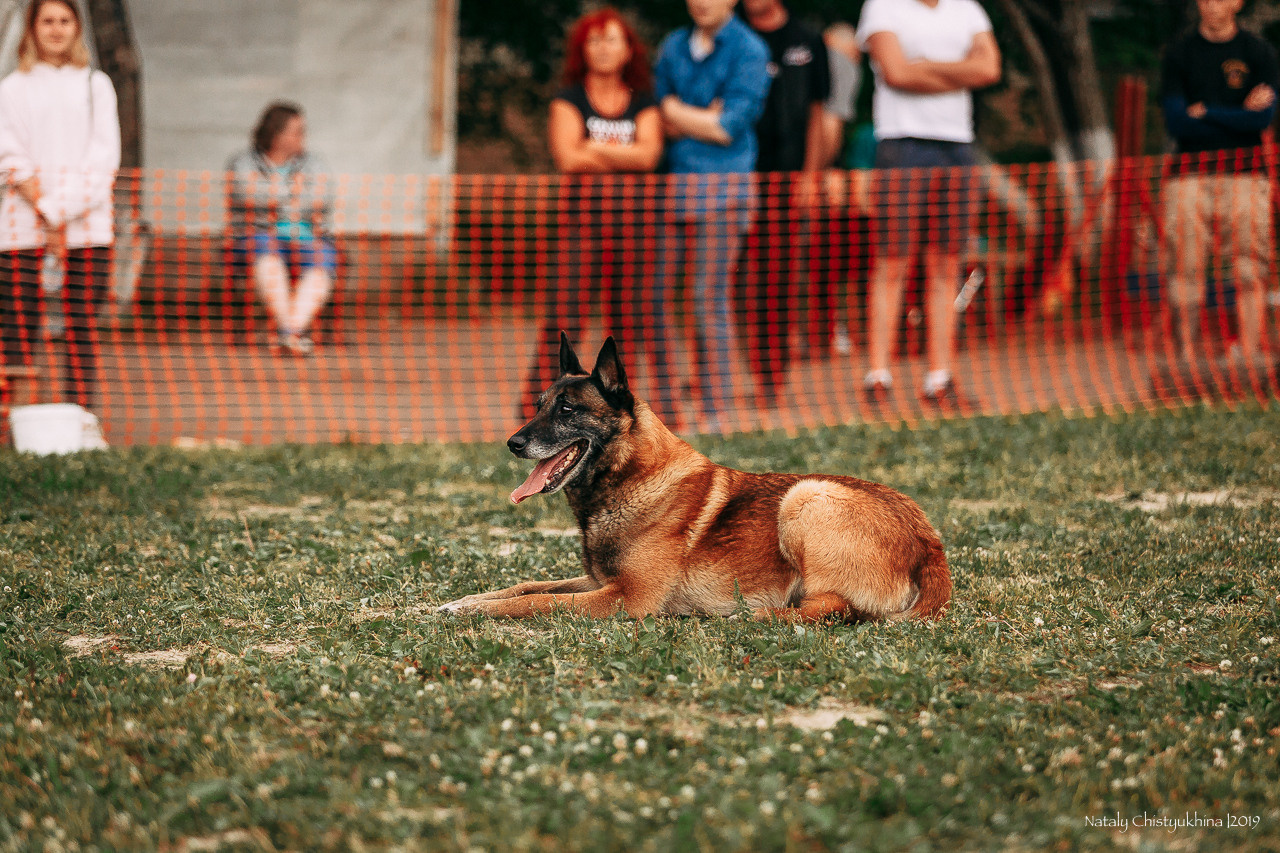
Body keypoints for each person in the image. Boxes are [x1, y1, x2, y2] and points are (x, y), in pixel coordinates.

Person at [855, 0, 1000, 407]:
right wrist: (959, 71)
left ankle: (939, 378)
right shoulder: (882, 6)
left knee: (946, 265)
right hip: (902, 144)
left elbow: (989, 68)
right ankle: (877, 376)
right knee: (892, 262)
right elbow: (896, 73)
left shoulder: (967, 7)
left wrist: (924, 68)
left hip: (957, 146)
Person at [522, 7, 662, 418]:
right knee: (564, 315)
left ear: (628, 49)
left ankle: (627, 406)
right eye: (594, 40)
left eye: (612, 39)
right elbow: (567, 157)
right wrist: (624, 155)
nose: (603, 48)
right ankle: (538, 402)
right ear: (582, 49)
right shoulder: (568, 98)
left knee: (629, 321)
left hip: (634, 228)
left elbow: (650, 155)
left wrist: (594, 147)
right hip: (580, 225)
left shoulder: (644, 100)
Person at [651, 0, 770, 429]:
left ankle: (715, 412)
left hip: (727, 192)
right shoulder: (673, 45)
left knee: (707, 298)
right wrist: (697, 116)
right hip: (674, 190)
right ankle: (664, 411)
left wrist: (677, 111)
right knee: (656, 299)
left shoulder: (749, 49)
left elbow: (728, 127)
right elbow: (655, 115)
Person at [0, 0, 120, 412]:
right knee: (18, 325)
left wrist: (57, 213)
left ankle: (80, 414)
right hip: (19, 229)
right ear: (32, 28)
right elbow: (8, 155)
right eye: (47, 21)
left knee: (82, 325)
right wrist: (42, 208)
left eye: (65, 21)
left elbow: (103, 160)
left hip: (88, 229)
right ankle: (16, 416)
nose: (56, 29)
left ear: (77, 28)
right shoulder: (11, 88)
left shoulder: (96, 85)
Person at [1160, 0, 1278, 366]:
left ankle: (1250, 353)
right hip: (1189, 175)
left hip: (1245, 173)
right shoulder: (1178, 53)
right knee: (1186, 265)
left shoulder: (1258, 52)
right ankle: (1187, 356)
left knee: (1249, 265)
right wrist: (1240, 112)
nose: (1212, 4)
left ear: (1238, 2)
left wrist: (1208, 111)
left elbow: (1261, 121)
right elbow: (1177, 122)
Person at [737, 0, 830, 405]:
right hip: (737, 179)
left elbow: (817, 112)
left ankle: (770, 376)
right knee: (726, 278)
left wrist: (811, 175)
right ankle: (714, 371)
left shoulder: (808, 39)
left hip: (788, 183)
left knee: (777, 280)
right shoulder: (732, 36)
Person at [227, 101, 336, 356]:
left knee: (324, 256)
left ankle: (289, 331)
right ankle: (293, 333)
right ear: (277, 134)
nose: (303, 137)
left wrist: (274, 196)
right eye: (297, 131)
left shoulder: (314, 163)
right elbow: (246, 195)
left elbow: (322, 199)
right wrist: (293, 193)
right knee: (266, 245)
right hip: (257, 237)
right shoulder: (243, 162)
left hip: (308, 238)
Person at [810, 21, 867, 360]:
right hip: (818, 180)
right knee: (828, 268)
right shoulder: (842, 64)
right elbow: (830, 124)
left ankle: (814, 336)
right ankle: (827, 338)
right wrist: (819, 173)